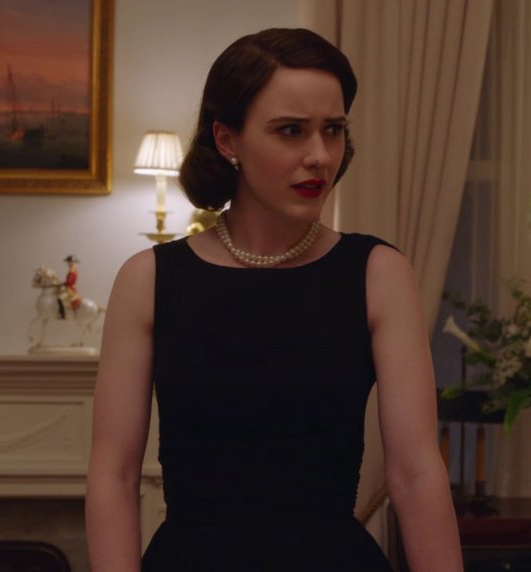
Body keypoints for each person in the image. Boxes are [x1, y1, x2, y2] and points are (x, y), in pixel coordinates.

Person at [86, 28, 463, 572]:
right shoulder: (148, 279)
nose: (320, 156)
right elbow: (113, 475)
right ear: (227, 139)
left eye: (333, 130)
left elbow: (416, 474)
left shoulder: (379, 274)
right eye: (291, 131)